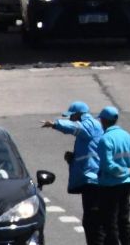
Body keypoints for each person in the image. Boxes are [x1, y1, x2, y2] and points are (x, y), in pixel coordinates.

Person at [42, 101, 104, 245]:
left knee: (93, 221)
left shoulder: (89, 124)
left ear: (78, 115)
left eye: (71, 116)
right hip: (91, 179)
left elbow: (75, 128)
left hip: (92, 180)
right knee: (91, 221)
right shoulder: (90, 127)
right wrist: (73, 159)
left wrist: (55, 124)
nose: (70, 119)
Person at [97, 106, 130, 245]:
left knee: (110, 221)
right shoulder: (127, 136)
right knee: (124, 220)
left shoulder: (105, 139)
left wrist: (124, 171)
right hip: (127, 185)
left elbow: (108, 166)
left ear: (104, 121)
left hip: (110, 185)